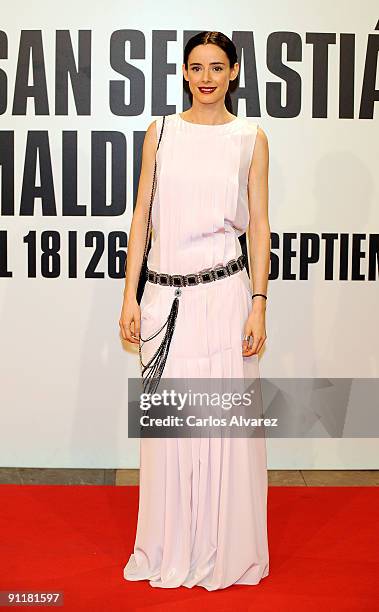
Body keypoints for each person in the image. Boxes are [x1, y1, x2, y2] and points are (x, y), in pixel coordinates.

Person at [119, 31, 270, 591]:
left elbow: (258, 225)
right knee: (171, 435)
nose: (206, 76)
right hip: (164, 300)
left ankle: (225, 549)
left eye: (218, 66)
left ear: (234, 73)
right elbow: (142, 217)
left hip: (226, 298)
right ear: (184, 72)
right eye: (196, 66)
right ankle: (169, 547)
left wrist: (259, 303)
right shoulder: (161, 132)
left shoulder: (251, 138)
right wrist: (130, 294)